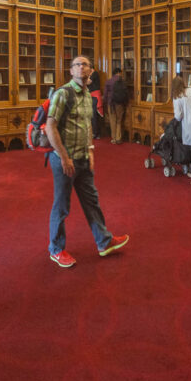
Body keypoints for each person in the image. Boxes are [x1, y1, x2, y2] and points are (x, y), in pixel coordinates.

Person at [44, 56, 129, 268]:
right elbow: (50, 127)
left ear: (91, 71)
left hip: (82, 158)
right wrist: (64, 157)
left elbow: (87, 127)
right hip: (65, 160)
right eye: (77, 65)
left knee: (92, 201)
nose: (81, 67)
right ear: (71, 71)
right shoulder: (63, 93)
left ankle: (104, 241)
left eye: (85, 65)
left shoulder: (87, 95)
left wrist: (90, 151)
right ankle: (56, 249)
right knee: (62, 206)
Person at [103, 65, 129, 144]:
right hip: (120, 103)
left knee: (112, 120)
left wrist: (105, 103)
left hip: (111, 103)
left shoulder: (108, 81)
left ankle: (113, 139)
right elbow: (126, 93)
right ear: (119, 73)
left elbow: (105, 94)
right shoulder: (123, 81)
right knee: (119, 121)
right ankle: (118, 138)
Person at [88, 65, 103, 140]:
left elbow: (88, 82)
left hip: (95, 97)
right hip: (91, 96)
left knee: (94, 116)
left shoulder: (94, 74)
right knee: (92, 116)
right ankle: (94, 132)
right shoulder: (91, 75)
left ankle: (96, 133)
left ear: (91, 69)